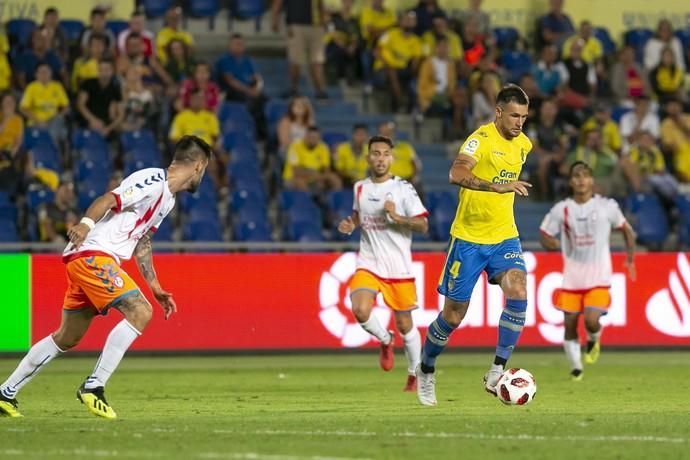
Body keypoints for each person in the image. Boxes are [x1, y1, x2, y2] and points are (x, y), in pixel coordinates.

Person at [0, 135, 212, 419]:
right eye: (206, 169)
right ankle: (94, 386)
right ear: (199, 165)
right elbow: (110, 199)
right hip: (92, 255)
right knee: (140, 312)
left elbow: (143, 241)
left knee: (67, 336)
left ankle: (5, 393)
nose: (204, 175)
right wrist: (86, 224)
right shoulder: (153, 179)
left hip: (91, 260)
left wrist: (155, 287)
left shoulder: (167, 201)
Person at [416, 84, 532, 406]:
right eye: (513, 116)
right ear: (498, 113)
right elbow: (457, 172)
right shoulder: (480, 139)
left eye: (523, 116)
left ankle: (497, 370)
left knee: (518, 290)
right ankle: (426, 368)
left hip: (504, 235)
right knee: (453, 316)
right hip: (468, 239)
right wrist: (494, 187)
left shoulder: (524, 145)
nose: (519, 122)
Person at [337, 135, 428, 391]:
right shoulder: (360, 188)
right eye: (375, 153)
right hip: (369, 263)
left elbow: (423, 224)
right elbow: (357, 216)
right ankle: (385, 339)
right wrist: (350, 224)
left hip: (398, 267)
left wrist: (397, 217)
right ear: (367, 158)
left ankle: (413, 373)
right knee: (360, 309)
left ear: (392, 158)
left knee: (405, 324)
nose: (380, 158)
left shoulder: (404, 189)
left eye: (385, 153)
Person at [539, 161, 636, 381]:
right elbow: (544, 233)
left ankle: (594, 337)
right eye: (576, 176)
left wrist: (630, 259)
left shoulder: (607, 206)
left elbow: (627, 230)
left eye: (585, 176)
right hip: (572, 277)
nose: (581, 180)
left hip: (599, 276)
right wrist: (549, 243)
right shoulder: (561, 209)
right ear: (570, 182)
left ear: (592, 180)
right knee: (570, 323)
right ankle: (576, 368)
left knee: (591, 319)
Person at [270, 0, 328, 98]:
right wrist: (274, 20)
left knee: (317, 61)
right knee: (295, 60)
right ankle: (293, 89)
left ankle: (320, 91)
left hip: (316, 25)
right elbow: (277, 2)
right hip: (295, 24)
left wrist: (324, 21)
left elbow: (321, 4)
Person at [19, 63, 69, 145]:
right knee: (54, 132)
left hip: (54, 121)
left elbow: (66, 106)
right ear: (36, 74)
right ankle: (52, 150)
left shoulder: (57, 86)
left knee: (58, 125)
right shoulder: (31, 87)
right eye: (41, 72)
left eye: (46, 72)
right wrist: (38, 120)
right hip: (36, 122)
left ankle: (51, 148)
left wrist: (59, 116)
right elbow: (23, 108)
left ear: (51, 73)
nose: (44, 74)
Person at [283, 126, 342, 192]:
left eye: (316, 138)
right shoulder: (295, 146)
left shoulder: (323, 147)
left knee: (334, 179)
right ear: (305, 136)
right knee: (300, 183)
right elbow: (297, 172)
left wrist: (322, 177)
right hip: (293, 178)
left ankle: (335, 200)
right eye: (311, 137)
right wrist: (316, 174)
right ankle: (307, 201)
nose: (313, 140)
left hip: (315, 177)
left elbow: (326, 169)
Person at [76, 58, 124, 137]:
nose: (104, 71)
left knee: (121, 128)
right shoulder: (88, 83)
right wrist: (92, 120)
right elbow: (80, 105)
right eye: (101, 69)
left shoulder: (115, 87)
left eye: (107, 69)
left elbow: (121, 114)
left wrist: (108, 128)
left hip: (106, 122)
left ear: (112, 71)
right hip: (87, 119)